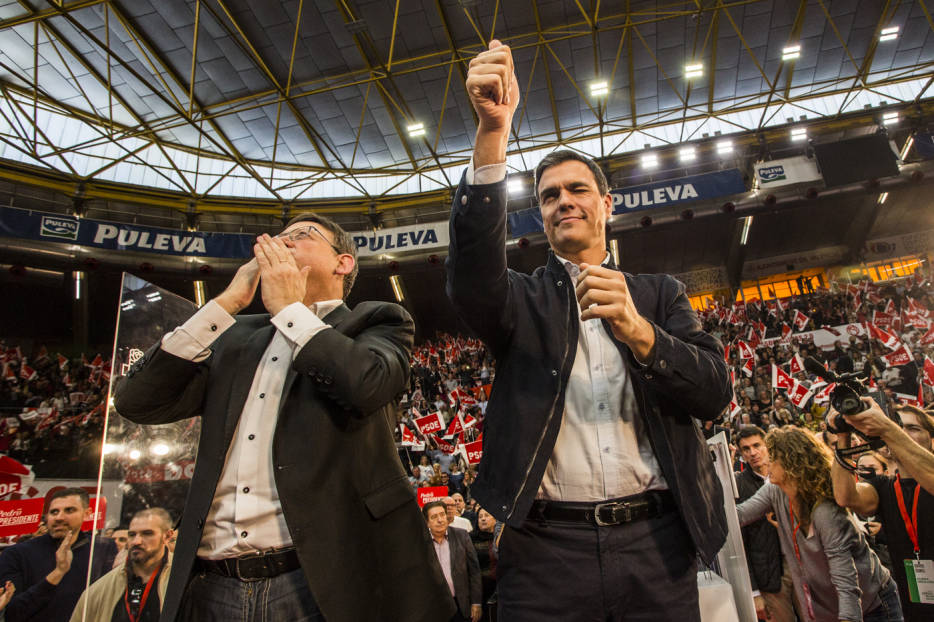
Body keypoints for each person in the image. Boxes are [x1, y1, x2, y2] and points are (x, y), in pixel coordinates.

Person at [446, 40, 731, 621]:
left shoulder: (660, 293)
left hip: (658, 543)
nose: (562, 202)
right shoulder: (519, 299)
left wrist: (639, 332)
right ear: (541, 216)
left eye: (577, 190)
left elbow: (714, 391)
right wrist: (493, 134)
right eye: (549, 196)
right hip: (546, 551)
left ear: (607, 204)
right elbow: (472, 277)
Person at [113, 214, 453, 622]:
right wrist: (227, 303)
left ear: (342, 263)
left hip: (317, 581)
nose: (283, 242)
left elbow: (367, 385)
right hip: (211, 582)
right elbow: (137, 401)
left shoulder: (376, 321)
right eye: (281, 236)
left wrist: (290, 310)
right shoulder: (234, 334)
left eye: (302, 236)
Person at [737, 426, 902, 622]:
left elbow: (846, 581)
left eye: (773, 458)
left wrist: (848, 618)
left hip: (873, 603)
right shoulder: (775, 490)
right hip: (831, 608)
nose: (766, 462)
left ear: (791, 464)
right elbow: (740, 515)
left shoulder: (826, 511)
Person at [831, 401, 934, 621]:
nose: (902, 433)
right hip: (912, 603)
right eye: (898, 426)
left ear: (931, 439)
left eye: (912, 428)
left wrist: (888, 428)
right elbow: (845, 496)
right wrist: (843, 435)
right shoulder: (884, 486)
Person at [0, 488, 116, 622]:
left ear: (87, 513)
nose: (59, 517)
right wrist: (57, 573)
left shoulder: (103, 549)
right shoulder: (16, 554)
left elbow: (109, 601)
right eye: (54, 512)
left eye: (69, 510)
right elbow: (11, 612)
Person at [734, 426, 795, 622]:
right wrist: (753, 591)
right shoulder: (738, 485)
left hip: (801, 564)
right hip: (768, 575)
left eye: (756, 445)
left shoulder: (790, 475)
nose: (752, 453)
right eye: (746, 449)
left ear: (767, 445)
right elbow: (739, 542)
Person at [69, 508, 174, 622]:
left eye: (147, 534)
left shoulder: (184, 580)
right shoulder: (98, 592)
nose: (136, 541)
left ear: (167, 536)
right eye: (132, 535)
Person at [424, 502, 482, 622]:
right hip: (434, 606)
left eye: (442, 515)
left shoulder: (462, 535)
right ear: (427, 522)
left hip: (461, 604)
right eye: (434, 517)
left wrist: (476, 602)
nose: (440, 520)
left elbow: (474, 571)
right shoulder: (421, 542)